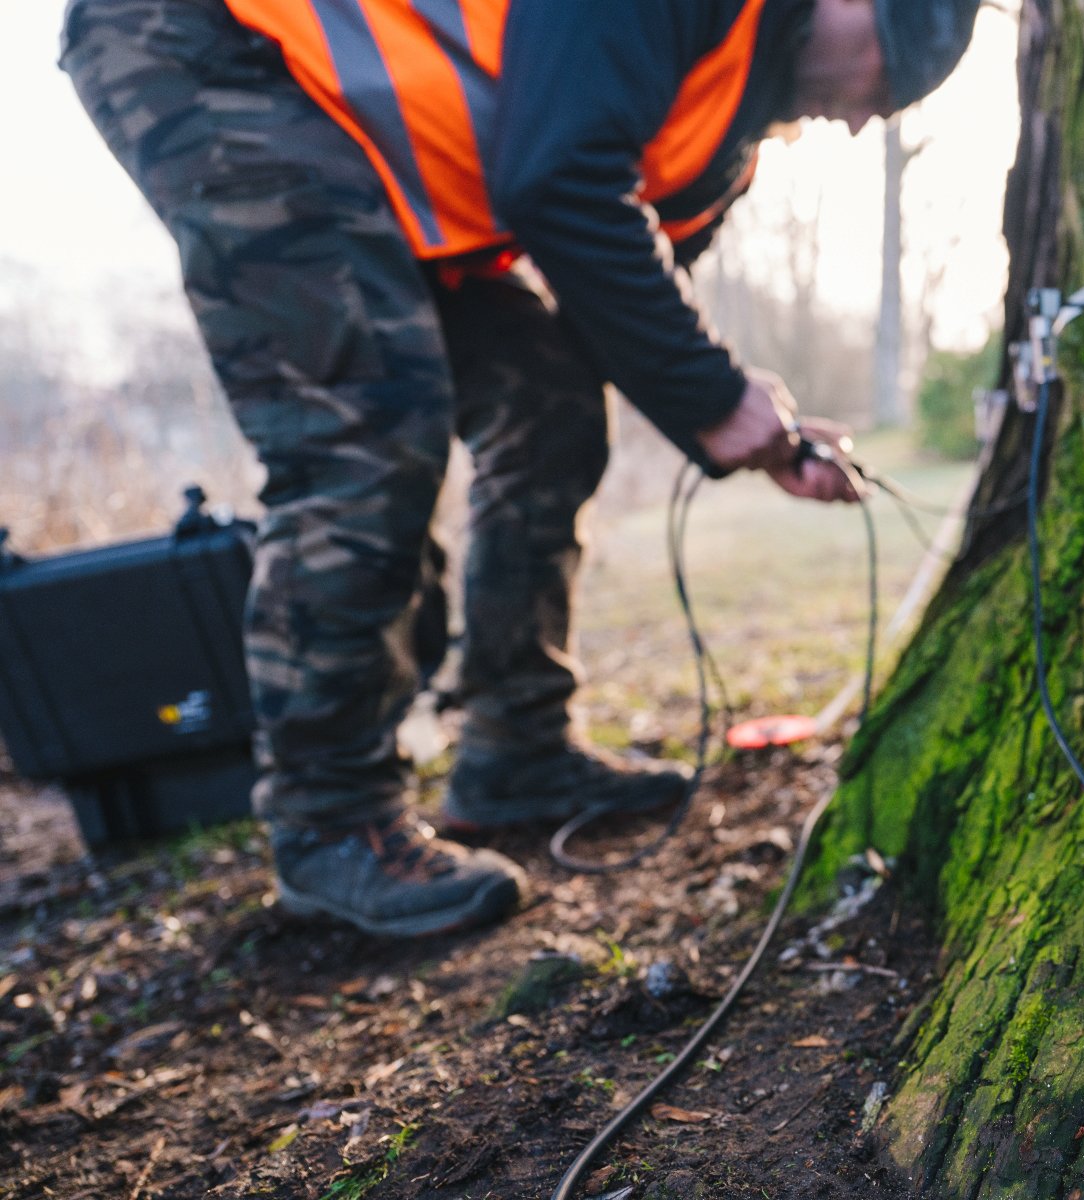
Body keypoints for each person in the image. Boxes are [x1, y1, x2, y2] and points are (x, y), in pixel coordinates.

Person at [59, 0, 981, 936]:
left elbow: (612, 304)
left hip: (370, 153)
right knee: (370, 421)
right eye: (889, 76)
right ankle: (330, 822)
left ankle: (516, 745)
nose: (868, 119)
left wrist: (761, 430)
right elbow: (556, 185)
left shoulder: (725, 135)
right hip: (212, 42)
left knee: (552, 400)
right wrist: (713, 398)